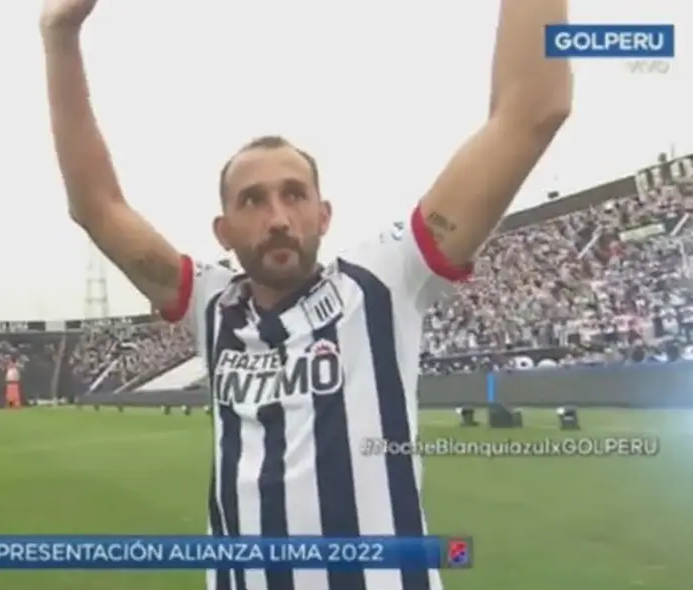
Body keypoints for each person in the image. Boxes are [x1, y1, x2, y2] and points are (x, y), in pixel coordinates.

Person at [38, 1, 572, 589]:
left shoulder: (383, 282)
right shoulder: (212, 307)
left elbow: (531, 111)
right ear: (223, 231)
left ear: (324, 215)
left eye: (294, 195)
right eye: (252, 200)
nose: (277, 218)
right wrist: (59, 34)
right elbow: (96, 207)